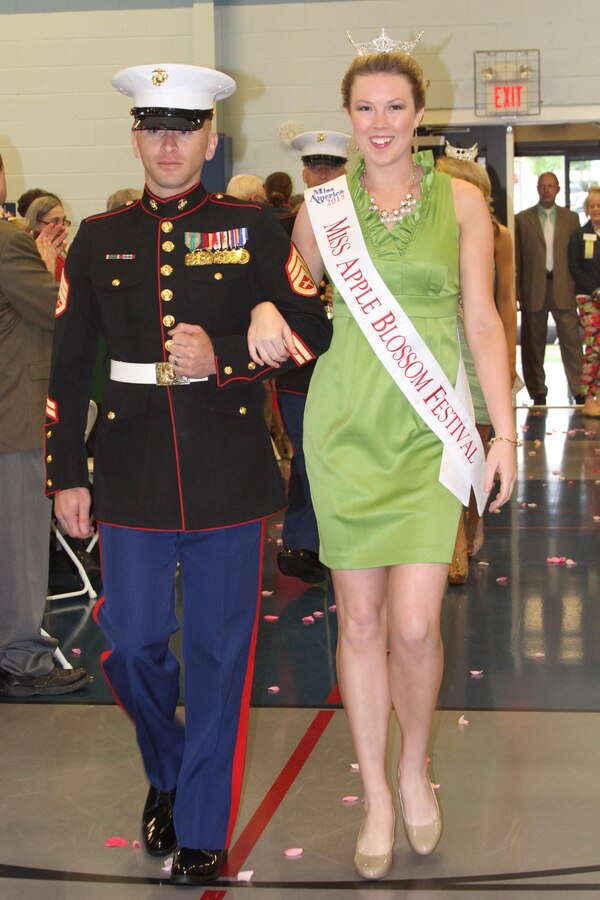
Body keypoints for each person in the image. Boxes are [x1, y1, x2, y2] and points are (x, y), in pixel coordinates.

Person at [46, 63, 331, 887]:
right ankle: (168, 768)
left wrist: (231, 355)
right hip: (129, 472)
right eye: (153, 128)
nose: (168, 144)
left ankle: (202, 825)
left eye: (184, 128)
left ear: (210, 139)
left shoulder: (253, 228)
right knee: (132, 644)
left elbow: (314, 327)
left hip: (228, 472)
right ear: (134, 138)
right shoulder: (98, 237)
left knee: (218, 654)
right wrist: (68, 474)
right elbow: (68, 367)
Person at [248, 30, 517, 880]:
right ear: (348, 115)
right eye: (364, 107)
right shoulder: (320, 212)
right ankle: (375, 793)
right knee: (360, 623)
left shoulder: (462, 203)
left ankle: (413, 766)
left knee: (414, 624)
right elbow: (284, 299)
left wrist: (503, 431)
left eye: (395, 106)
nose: (379, 121)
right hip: (346, 427)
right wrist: (262, 309)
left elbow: (483, 319)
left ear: (420, 112)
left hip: (429, 432)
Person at [0, 151, 91, 698]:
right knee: (20, 548)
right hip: (16, 417)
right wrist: (54, 265)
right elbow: (58, 312)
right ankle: (23, 660)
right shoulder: (9, 241)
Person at [436, 145, 518, 579]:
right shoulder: (429, 228)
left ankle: (473, 519)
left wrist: (508, 361)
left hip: (481, 345)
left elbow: (505, 300)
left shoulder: (498, 235)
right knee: (445, 444)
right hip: (439, 343)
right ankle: (452, 543)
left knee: (477, 445)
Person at [275, 130, 350, 583]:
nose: (321, 176)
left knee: (340, 456)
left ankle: (328, 542)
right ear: (303, 173)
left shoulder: (362, 222)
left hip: (351, 362)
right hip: (301, 367)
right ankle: (304, 543)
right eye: (314, 168)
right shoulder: (282, 231)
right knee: (307, 455)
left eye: (330, 168)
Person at [515, 172, 583, 406]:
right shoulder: (522, 219)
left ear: (558, 189)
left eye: (550, 186)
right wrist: (516, 291)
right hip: (533, 288)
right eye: (542, 185)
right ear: (537, 188)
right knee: (532, 345)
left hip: (564, 287)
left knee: (572, 343)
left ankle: (579, 389)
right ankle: (537, 391)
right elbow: (517, 258)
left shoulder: (571, 219)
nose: (546, 189)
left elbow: (576, 256)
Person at [567, 186, 600, 417]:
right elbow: (574, 267)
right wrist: (596, 290)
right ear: (587, 209)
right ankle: (588, 397)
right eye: (592, 206)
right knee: (594, 348)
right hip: (588, 297)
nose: (596, 209)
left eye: (599, 205)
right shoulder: (579, 235)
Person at [24, 194, 70, 282]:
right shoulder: (29, 255)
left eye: (63, 220)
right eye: (55, 221)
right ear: (37, 224)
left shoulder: (60, 250)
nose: (62, 227)